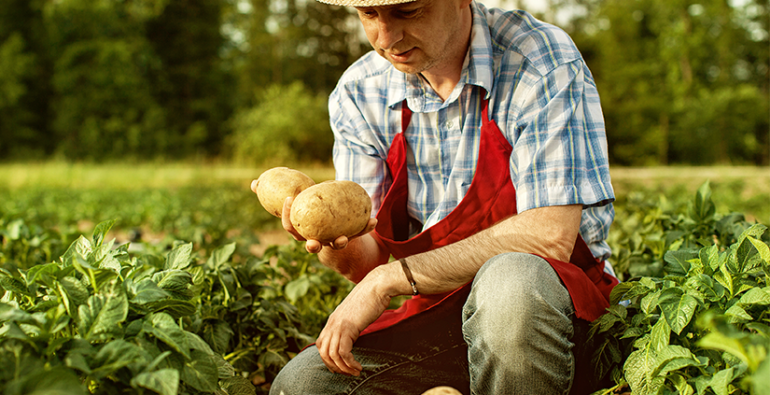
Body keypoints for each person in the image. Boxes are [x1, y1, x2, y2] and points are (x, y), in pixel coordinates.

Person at [264, 0, 619, 393]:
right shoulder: (359, 91)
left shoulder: (538, 60)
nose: (386, 38)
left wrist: (390, 279)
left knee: (510, 284)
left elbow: (548, 236)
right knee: (303, 385)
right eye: (369, 15)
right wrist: (331, 239)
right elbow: (367, 256)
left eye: (408, 11)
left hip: (550, 320)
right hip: (439, 316)